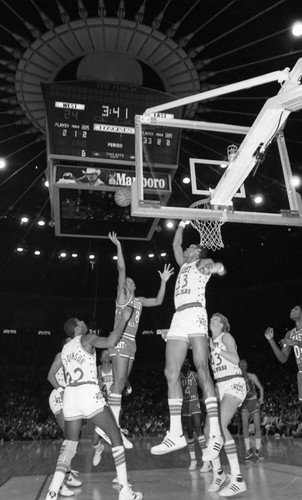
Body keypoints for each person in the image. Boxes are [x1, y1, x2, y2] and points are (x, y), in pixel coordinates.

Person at [45, 308, 143, 500]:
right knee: (116, 437)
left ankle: (52, 492)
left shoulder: (64, 349)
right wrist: (123, 320)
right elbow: (111, 342)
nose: (84, 322)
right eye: (81, 321)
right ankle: (125, 490)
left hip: (70, 396)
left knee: (70, 445)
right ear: (76, 328)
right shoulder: (87, 338)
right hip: (87, 392)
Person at [150, 220, 226, 460]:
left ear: (198, 252)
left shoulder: (201, 263)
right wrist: (181, 224)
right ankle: (175, 434)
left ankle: (215, 432)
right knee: (170, 374)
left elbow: (218, 267)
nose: (186, 248)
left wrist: (217, 267)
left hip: (195, 313)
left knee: (202, 369)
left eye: (191, 246)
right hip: (178, 317)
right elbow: (175, 242)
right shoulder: (183, 264)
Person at [107, 231, 174, 448]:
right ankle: (112, 429)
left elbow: (159, 300)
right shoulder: (122, 297)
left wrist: (163, 281)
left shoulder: (139, 300)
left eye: (131, 281)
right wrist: (118, 245)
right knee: (118, 383)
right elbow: (121, 269)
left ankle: (111, 424)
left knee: (122, 383)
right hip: (120, 340)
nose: (128, 281)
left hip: (132, 343)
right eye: (126, 281)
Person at [208, 313, 247, 497]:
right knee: (209, 429)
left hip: (234, 382)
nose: (212, 320)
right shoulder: (210, 342)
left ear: (223, 324)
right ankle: (219, 473)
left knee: (220, 425)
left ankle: (238, 479)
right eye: (211, 319)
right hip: (221, 387)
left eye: (216, 319)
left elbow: (236, 359)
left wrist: (215, 349)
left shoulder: (225, 337)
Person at [47, 339, 82, 498]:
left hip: (71, 398)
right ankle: (60, 484)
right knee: (69, 439)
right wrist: (61, 389)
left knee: (72, 440)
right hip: (59, 397)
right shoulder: (61, 355)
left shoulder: (76, 358)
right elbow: (50, 376)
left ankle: (67, 474)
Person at [264, 305, 302, 401]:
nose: (292, 310)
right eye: (292, 309)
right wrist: (271, 340)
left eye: (295, 309)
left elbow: (295, 343)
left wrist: (296, 342)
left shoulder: (292, 339)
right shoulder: (290, 334)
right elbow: (283, 358)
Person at [180, 358, 212, 472]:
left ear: (189, 365)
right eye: (183, 363)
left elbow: (203, 384)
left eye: (186, 363)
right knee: (188, 431)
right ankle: (193, 460)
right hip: (185, 405)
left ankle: (206, 460)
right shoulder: (179, 377)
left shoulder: (194, 375)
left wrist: (204, 394)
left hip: (195, 403)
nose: (185, 364)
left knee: (198, 428)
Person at [239, 359, 264, 461]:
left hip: (253, 401)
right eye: (241, 364)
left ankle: (258, 449)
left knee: (257, 425)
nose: (242, 365)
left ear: (246, 366)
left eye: (244, 364)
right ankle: (248, 450)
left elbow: (261, 388)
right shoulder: (237, 378)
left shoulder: (252, 376)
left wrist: (261, 397)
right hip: (244, 403)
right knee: (245, 426)